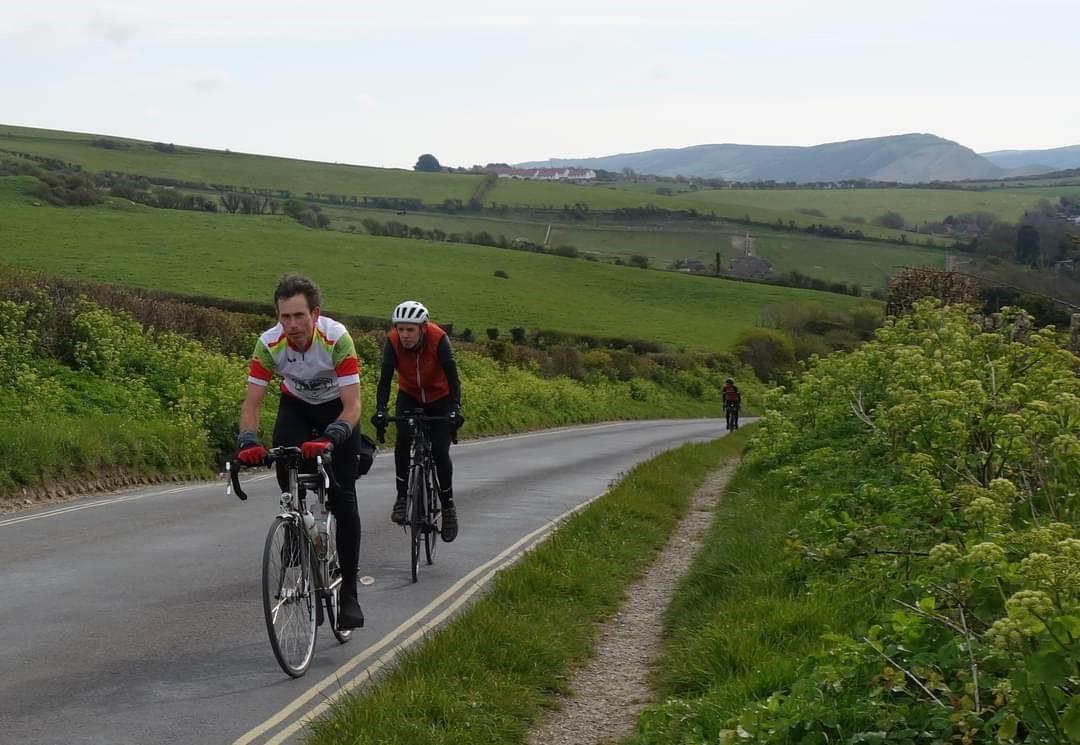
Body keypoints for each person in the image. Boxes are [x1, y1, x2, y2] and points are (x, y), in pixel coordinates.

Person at [235, 273, 366, 629]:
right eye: (284, 317)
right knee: (283, 460)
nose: (292, 325)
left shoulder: (336, 338)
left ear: (315, 314)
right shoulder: (269, 343)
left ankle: (350, 594)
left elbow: (353, 406)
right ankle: (296, 528)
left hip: (337, 410)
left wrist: (334, 434)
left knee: (343, 496)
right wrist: (248, 440)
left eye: (299, 316)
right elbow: (252, 403)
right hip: (297, 405)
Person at [371, 300, 463, 542]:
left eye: (410, 330)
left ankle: (448, 507)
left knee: (441, 451)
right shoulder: (393, 342)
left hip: (439, 397)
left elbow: (454, 379)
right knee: (403, 439)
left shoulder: (439, 339)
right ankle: (402, 498)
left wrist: (455, 408)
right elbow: (385, 379)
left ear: (423, 328)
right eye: (400, 329)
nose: (404, 335)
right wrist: (381, 409)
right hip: (409, 396)